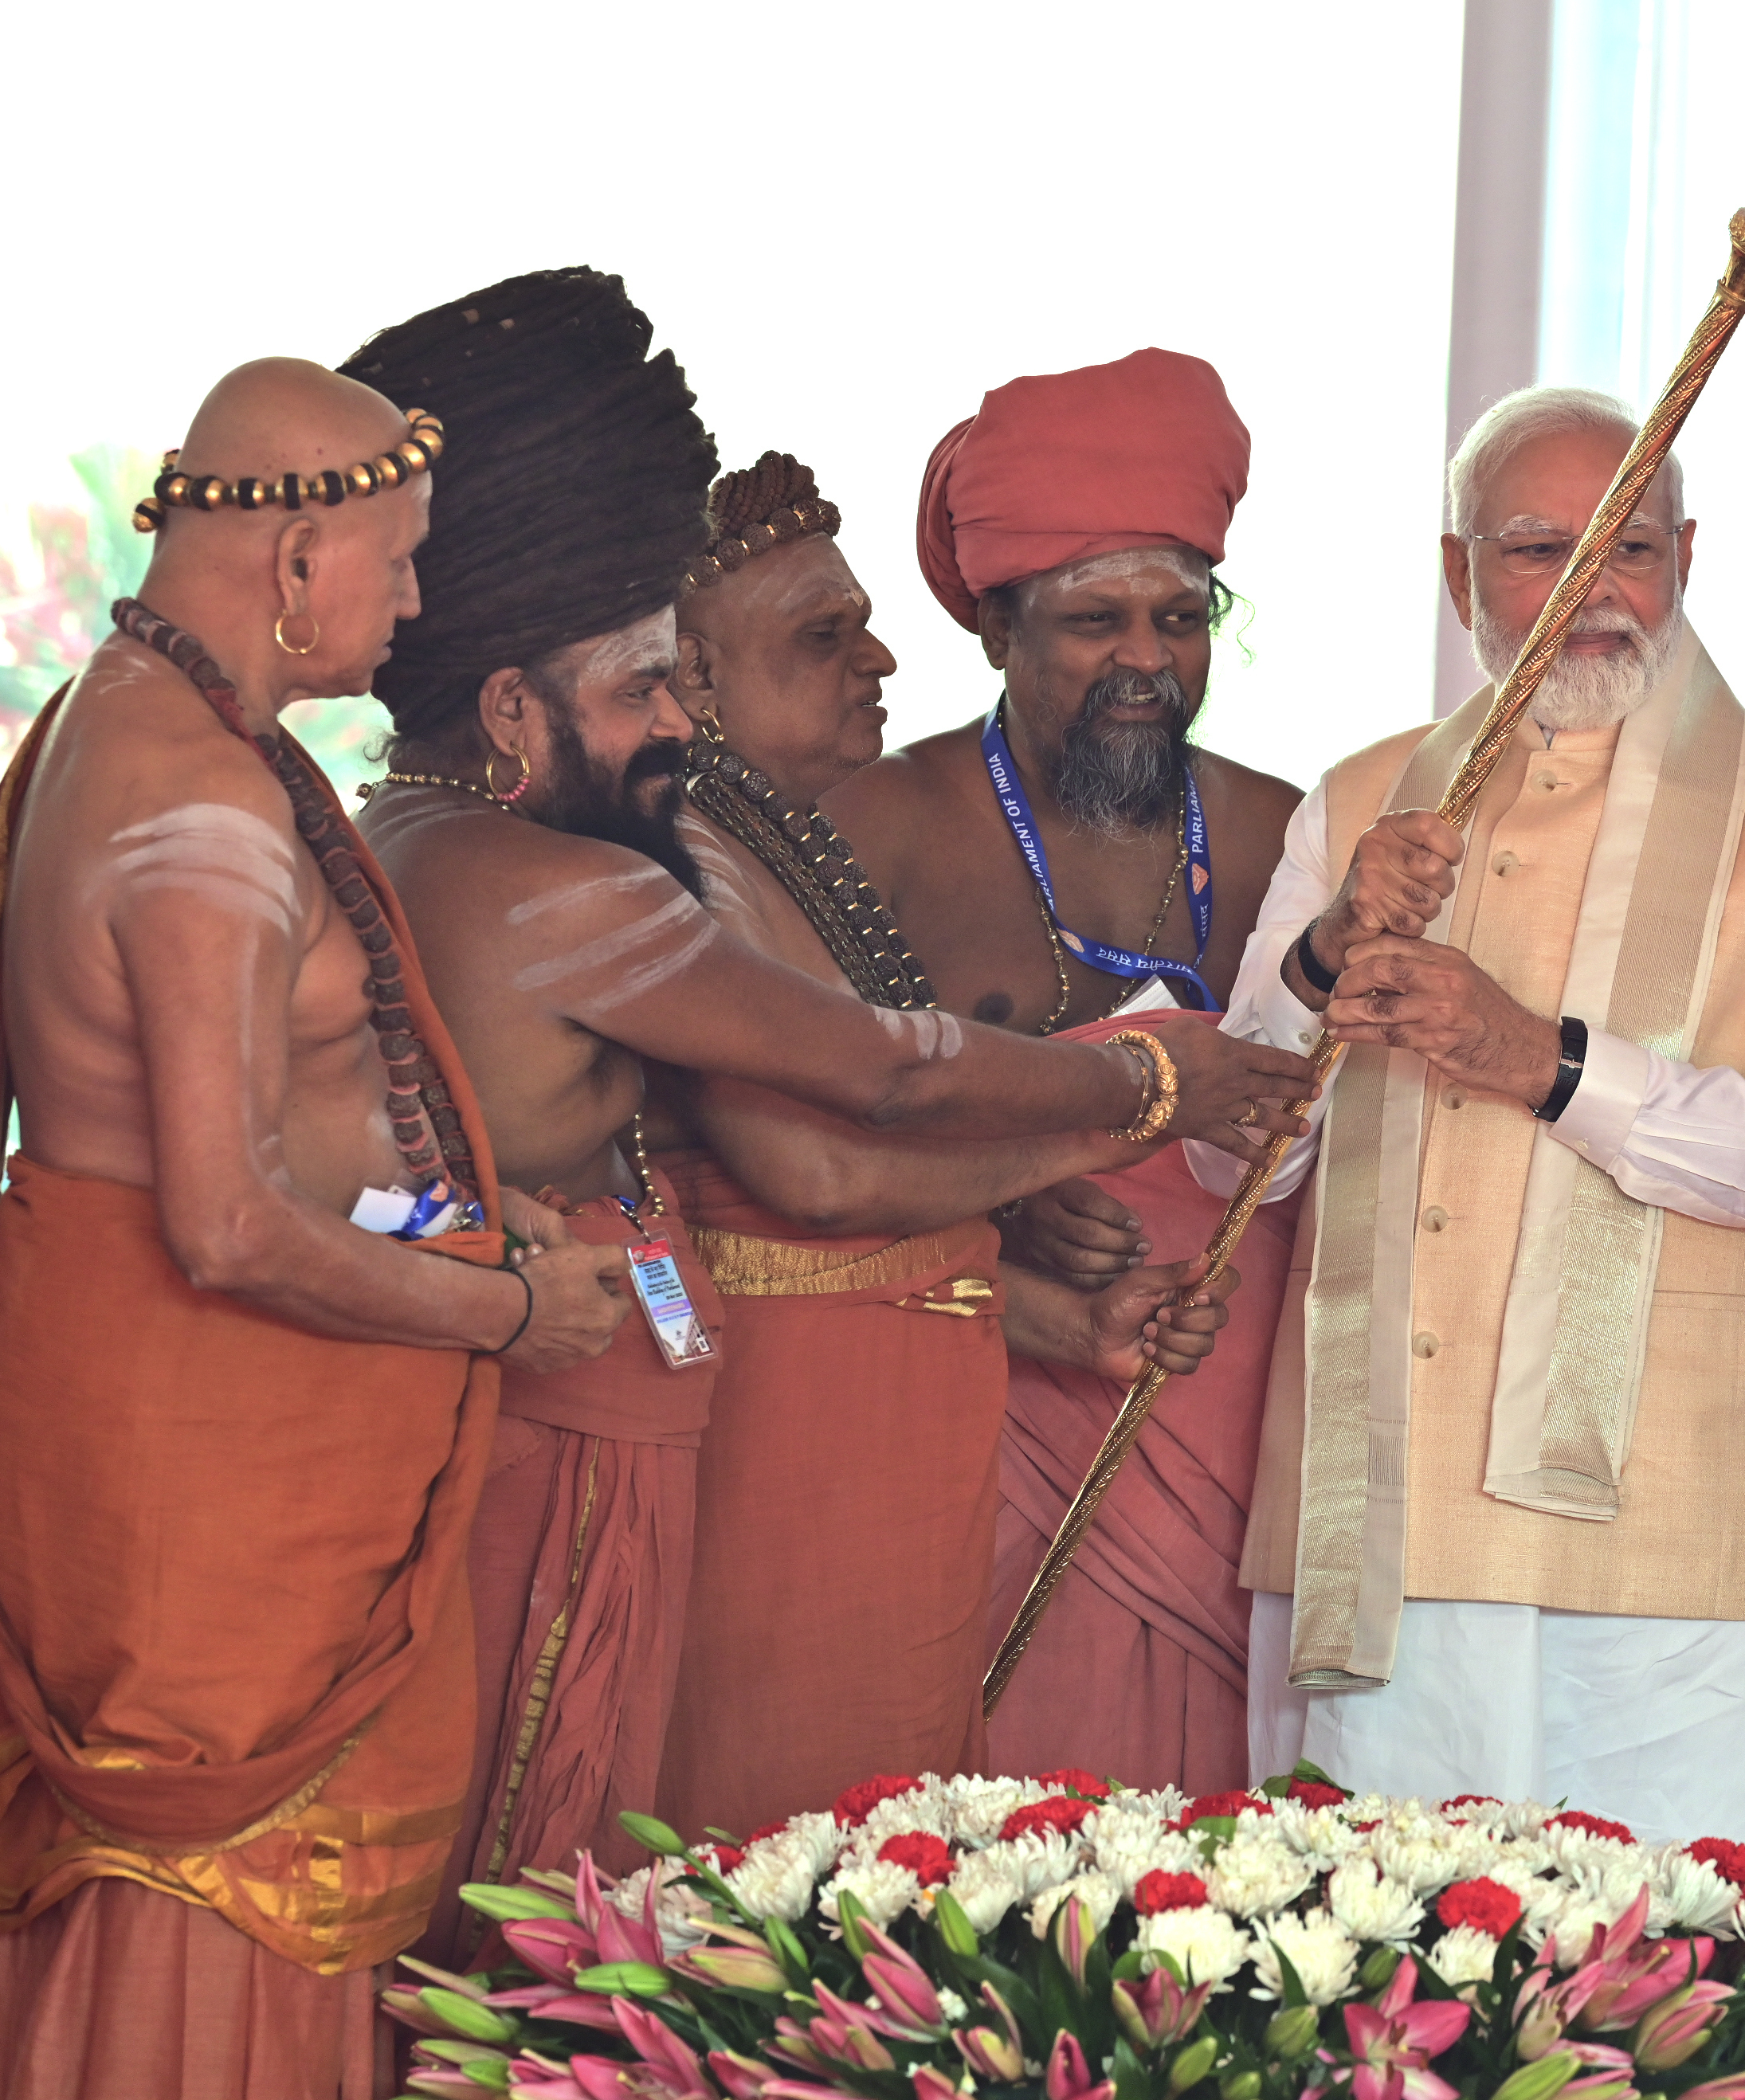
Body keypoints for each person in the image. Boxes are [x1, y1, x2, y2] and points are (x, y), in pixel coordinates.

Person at [339, 281, 1312, 1949]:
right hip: (705, 1453)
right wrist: (1148, 1086)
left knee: (790, 1923)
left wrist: (1039, 1284)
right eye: (653, 680)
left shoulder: (594, 838)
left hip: (780, 1420)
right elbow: (841, 1120)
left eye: (1183, 613)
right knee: (700, 1924)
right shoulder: (622, 867)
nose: (872, 662)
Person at [0, 358, 626, 2097]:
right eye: (404, 559)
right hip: (193, 1470)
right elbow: (223, 1218)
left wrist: (461, 1212)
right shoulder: (193, 807)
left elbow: (283, 1128)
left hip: (172, 1431)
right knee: (198, 1943)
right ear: (297, 563)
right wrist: (502, 1313)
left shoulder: (144, 727)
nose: (415, 602)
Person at [1219, 384, 1745, 1863]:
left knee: (1689, 2025)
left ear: (1688, 559)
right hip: (1375, 1549)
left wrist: (1546, 1062)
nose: (1596, 594)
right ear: (1459, 576)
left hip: (1678, 1563)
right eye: (1543, 550)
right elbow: (1240, 1161)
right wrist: (1323, 960)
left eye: (1634, 551)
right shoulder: (1357, 807)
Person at [649, 451, 1250, 1833]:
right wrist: (1128, 1107)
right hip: (791, 1451)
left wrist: (1056, 1321)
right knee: (790, 1860)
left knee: (898, 1855)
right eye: (822, 637)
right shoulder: (683, 858)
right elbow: (816, 1179)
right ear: (686, 677)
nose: (876, 658)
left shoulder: (775, 841)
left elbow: (875, 1227)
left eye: (1183, 617)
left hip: (904, 1425)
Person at [825, 348, 1309, 1790]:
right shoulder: (877, 831)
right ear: (994, 630)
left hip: (1234, 1418)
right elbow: (801, 1146)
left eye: (1182, 615)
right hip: (983, 1406)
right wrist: (1013, 1192)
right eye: (1095, 621)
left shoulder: (1297, 832)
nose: (1148, 661)